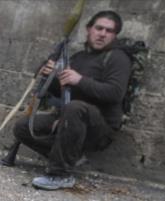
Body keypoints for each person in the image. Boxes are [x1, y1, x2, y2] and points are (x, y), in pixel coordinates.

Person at [11, 10, 131, 191]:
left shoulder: (118, 58)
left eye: (109, 31)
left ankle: (60, 174)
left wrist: (79, 80)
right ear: (89, 30)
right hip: (70, 119)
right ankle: (71, 157)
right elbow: (59, 91)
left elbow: (114, 93)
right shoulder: (78, 58)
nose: (102, 34)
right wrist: (48, 75)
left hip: (99, 128)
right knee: (23, 127)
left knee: (75, 108)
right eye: (99, 28)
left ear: (114, 35)